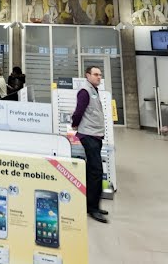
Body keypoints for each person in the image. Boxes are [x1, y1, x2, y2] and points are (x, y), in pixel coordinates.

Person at [71, 65, 108, 223]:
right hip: (89, 135)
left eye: (100, 75)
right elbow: (79, 110)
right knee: (96, 171)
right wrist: (75, 124)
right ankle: (92, 208)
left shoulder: (93, 90)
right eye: (95, 74)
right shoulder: (85, 91)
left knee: (92, 171)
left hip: (95, 135)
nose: (99, 77)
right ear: (87, 75)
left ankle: (91, 204)